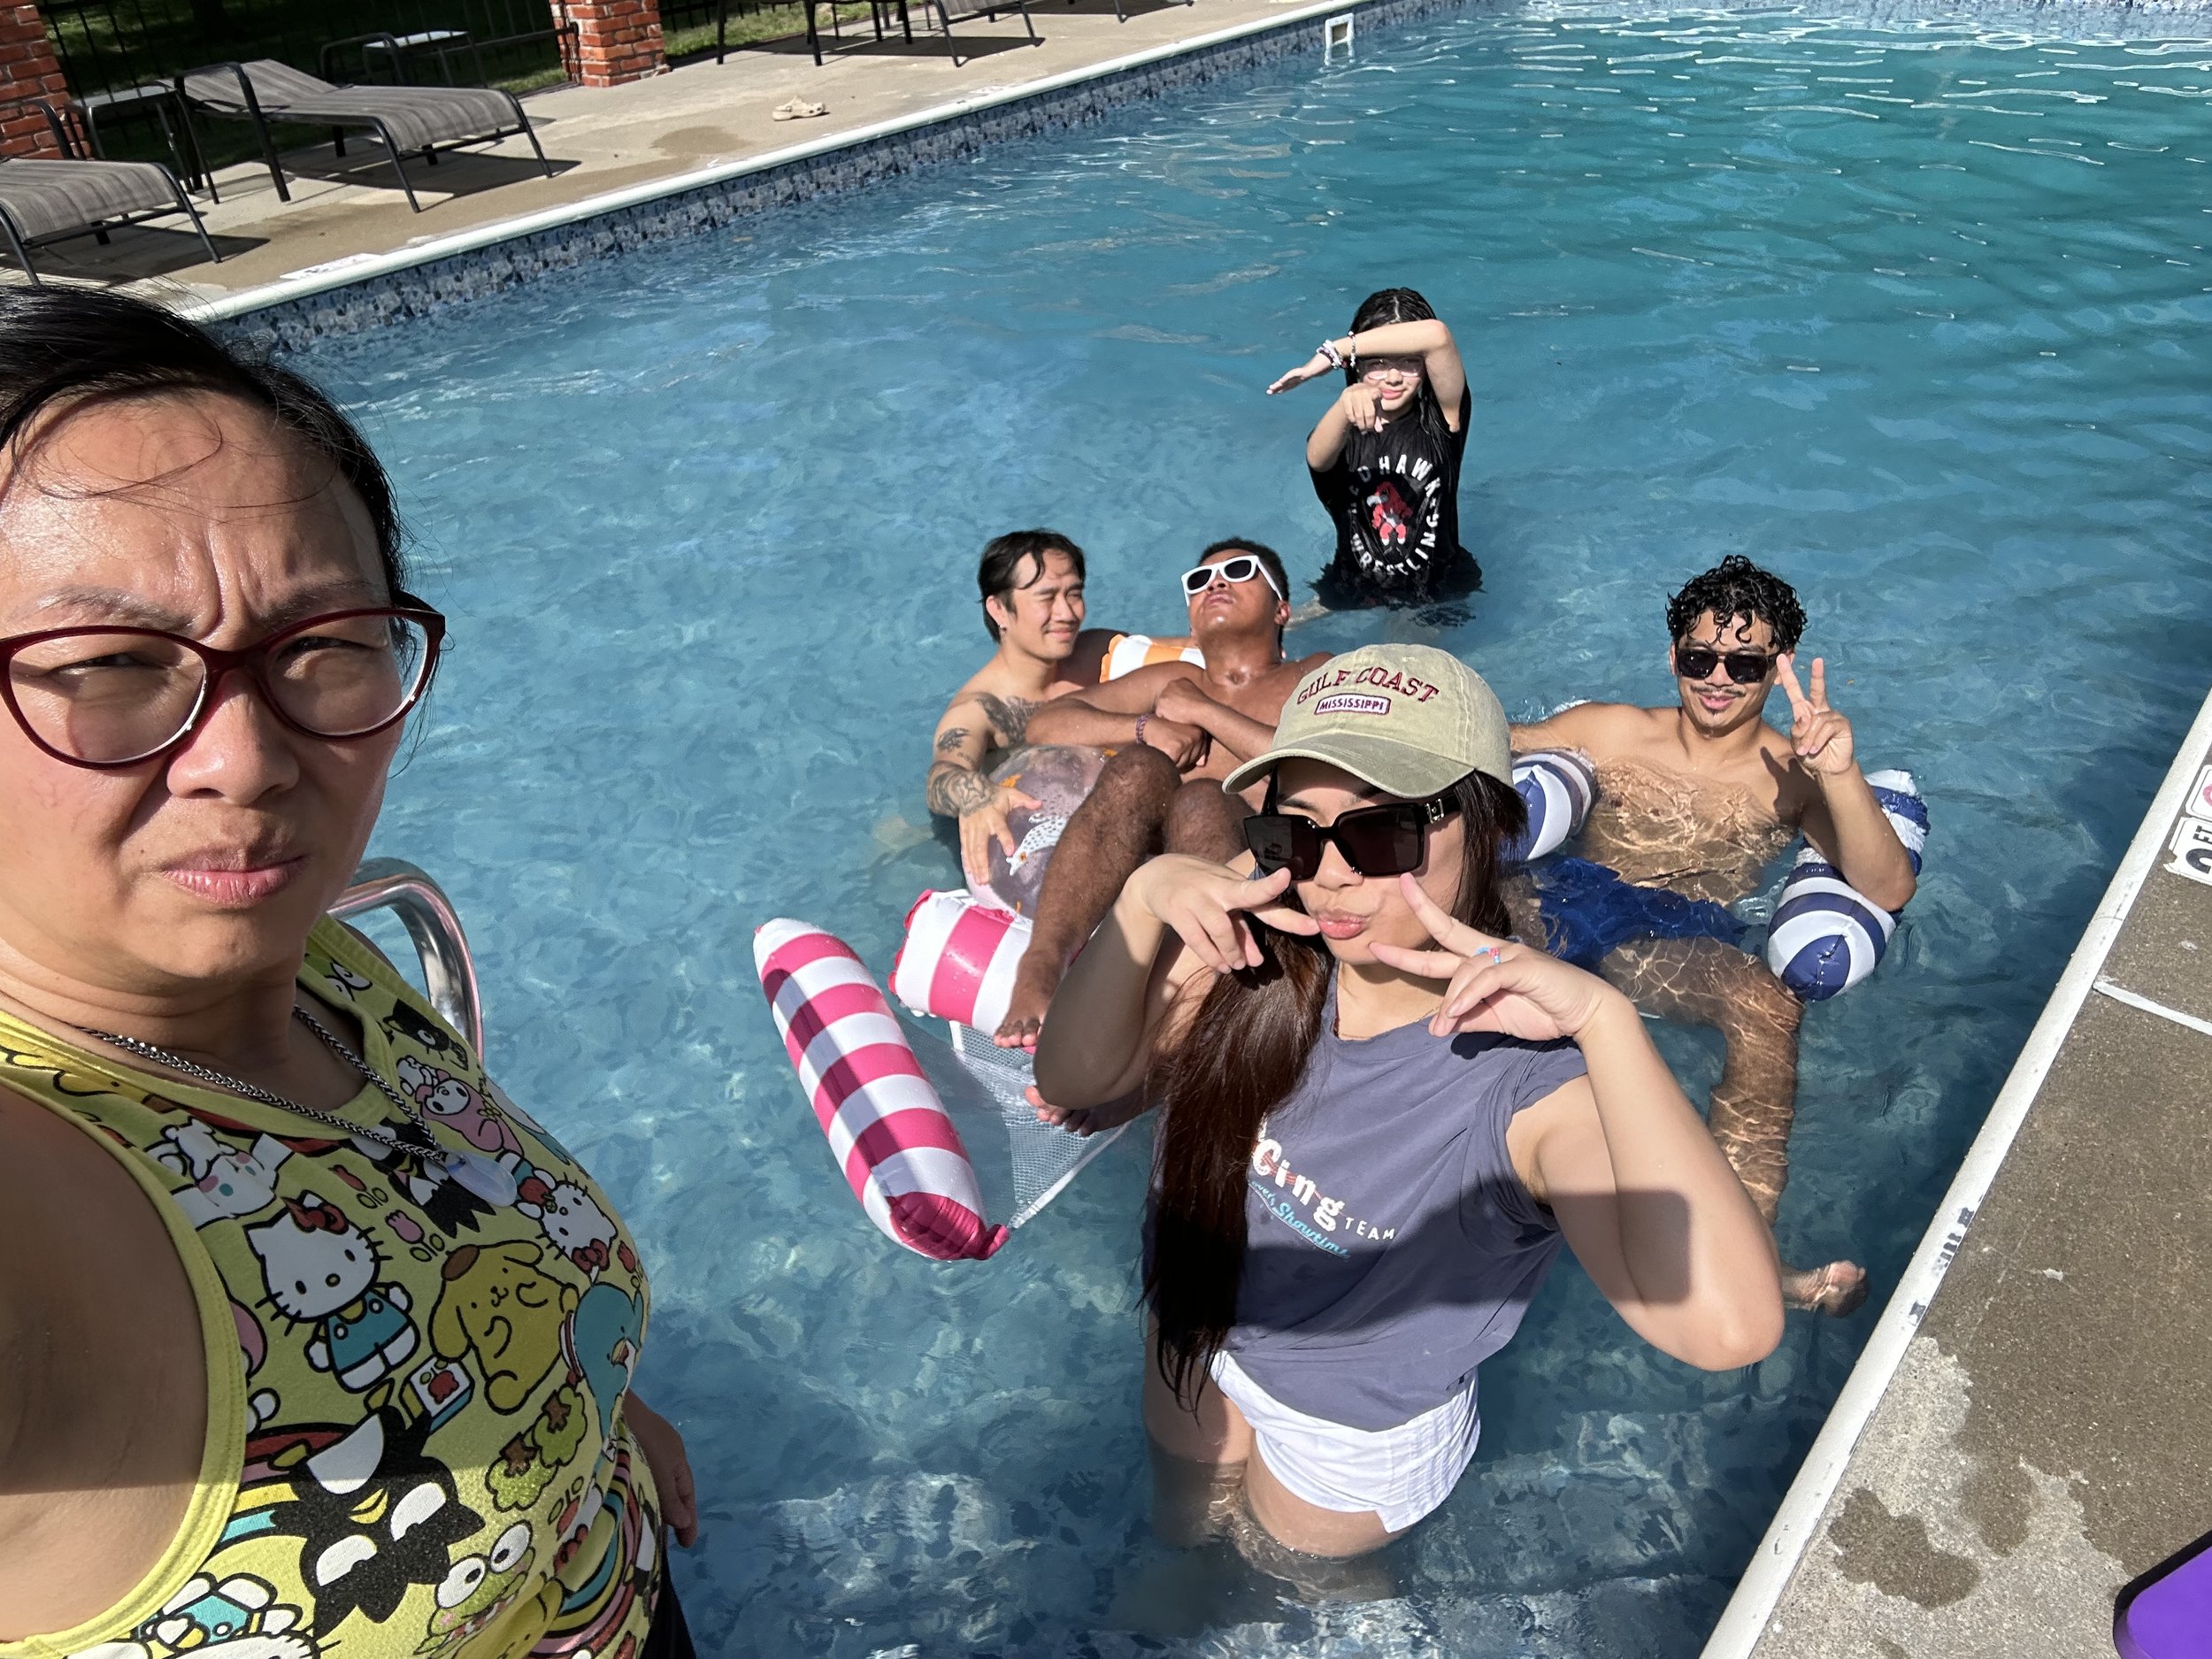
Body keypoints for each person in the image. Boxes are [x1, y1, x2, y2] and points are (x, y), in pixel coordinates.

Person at [0, 288, 697, 1655]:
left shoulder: (314, 955)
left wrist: (586, 1404)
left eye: (320, 645)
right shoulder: (41, 1190)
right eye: (109, 663)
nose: (249, 761)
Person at [1031, 644, 1782, 1566]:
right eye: (1297, 832)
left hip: (1345, 1429)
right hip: (1193, 1328)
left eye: (1381, 833)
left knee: (1287, 1594)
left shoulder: (1528, 1083)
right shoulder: (1256, 945)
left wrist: (1607, 1024)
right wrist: (1145, 896)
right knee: (1177, 1542)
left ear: (1490, 828)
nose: (1331, 875)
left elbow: (1727, 1329)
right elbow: (1074, 1080)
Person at [1509, 555, 1916, 1316]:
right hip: (1559, 902)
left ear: (1777, 665)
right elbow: (1485, 744)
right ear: (1673, 656)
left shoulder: (1790, 777)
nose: (1718, 678)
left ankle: (1749, 1251)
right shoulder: (1610, 730)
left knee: (1767, 1005)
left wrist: (1841, 771)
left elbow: (1888, 886)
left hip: (1662, 944)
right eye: (1701, 658)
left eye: (1744, 663)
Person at [990, 539, 1329, 1048]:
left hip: (1265, 876)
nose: (1216, 582)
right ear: (1191, 623)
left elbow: (1319, 757)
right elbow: (1047, 723)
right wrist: (1145, 727)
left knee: (1202, 798)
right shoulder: (1173, 679)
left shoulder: (1311, 674)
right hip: (1163, 879)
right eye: (1199, 581)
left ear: (1281, 608)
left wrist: (1204, 712)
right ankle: (1042, 963)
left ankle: (1207, 1007)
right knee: (1139, 768)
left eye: (1240, 570)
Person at [926, 529, 1187, 893]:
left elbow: (1197, 651)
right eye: (1046, 597)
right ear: (999, 609)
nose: (1067, 613)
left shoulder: (1098, 651)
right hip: (1040, 859)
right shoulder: (983, 710)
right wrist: (978, 796)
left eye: (1074, 594)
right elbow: (942, 776)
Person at [1266, 288, 1479, 609]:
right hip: (1352, 584)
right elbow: (1317, 458)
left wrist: (1334, 352)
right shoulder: (1340, 431)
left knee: (1404, 639)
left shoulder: (1443, 421)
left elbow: (1437, 336)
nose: (1393, 377)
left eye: (1409, 361)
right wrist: (1347, 401)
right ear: (1357, 366)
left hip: (1436, 592)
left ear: (1426, 367)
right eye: (1377, 362)